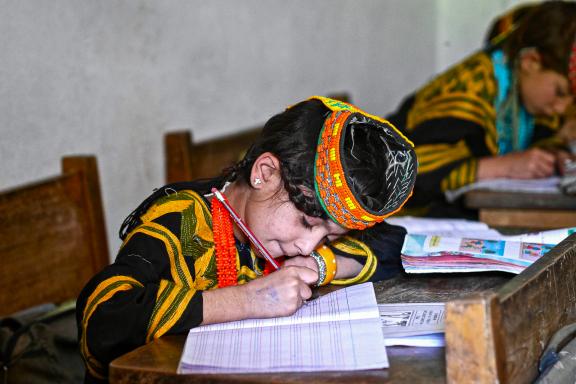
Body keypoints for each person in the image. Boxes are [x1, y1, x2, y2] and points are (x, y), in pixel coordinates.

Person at [76, 96, 417, 383]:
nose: (307, 245)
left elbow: (397, 246)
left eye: (328, 235)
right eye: (305, 222)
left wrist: (323, 263)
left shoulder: (285, 234)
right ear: (264, 173)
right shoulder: (182, 219)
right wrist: (247, 301)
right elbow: (104, 320)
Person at [386, 1, 576, 218]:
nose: (562, 108)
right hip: (402, 220)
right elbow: (402, 169)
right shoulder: (468, 89)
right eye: (560, 92)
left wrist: (556, 156)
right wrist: (501, 167)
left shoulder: (526, 94)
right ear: (530, 61)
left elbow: (544, 138)